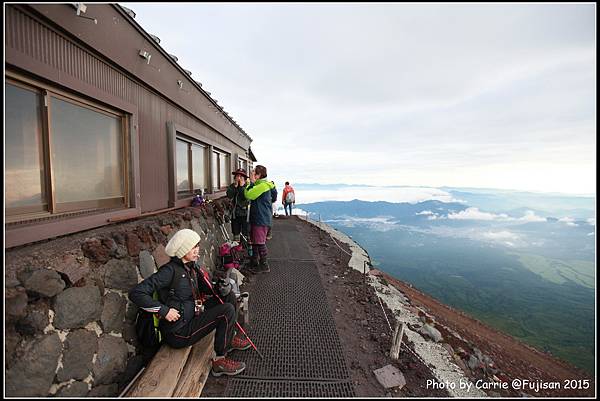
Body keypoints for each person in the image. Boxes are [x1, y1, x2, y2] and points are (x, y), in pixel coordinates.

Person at [128, 229, 251, 377]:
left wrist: (220, 288)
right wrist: (164, 311)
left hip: (193, 315)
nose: (197, 249)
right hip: (179, 331)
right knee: (226, 311)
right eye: (193, 247)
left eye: (197, 245)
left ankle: (228, 340)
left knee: (229, 297)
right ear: (182, 250)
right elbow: (136, 293)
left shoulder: (191, 268)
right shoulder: (169, 271)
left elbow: (208, 290)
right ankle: (219, 361)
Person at [244, 165, 277, 273]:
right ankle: (254, 262)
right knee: (255, 241)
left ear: (258, 175)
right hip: (261, 217)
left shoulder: (262, 186)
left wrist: (250, 183)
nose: (251, 174)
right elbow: (274, 198)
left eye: (253, 173)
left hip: (260, 218)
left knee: (260, 242)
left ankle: (264, 265)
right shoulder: (266, 185)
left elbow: (248, 195)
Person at [226, 169, 250, 243]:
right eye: (237, 176)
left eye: (241, 176)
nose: (238, 178)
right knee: (235, 232)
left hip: (245, 213)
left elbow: (245, 197)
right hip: (235, 213)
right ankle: (236, 247)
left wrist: (241, 187)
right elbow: (229, 195)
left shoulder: (247, 187)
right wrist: (235, 187)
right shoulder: (232, 186)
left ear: (244, 179)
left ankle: (245, 246)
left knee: (245, 232)